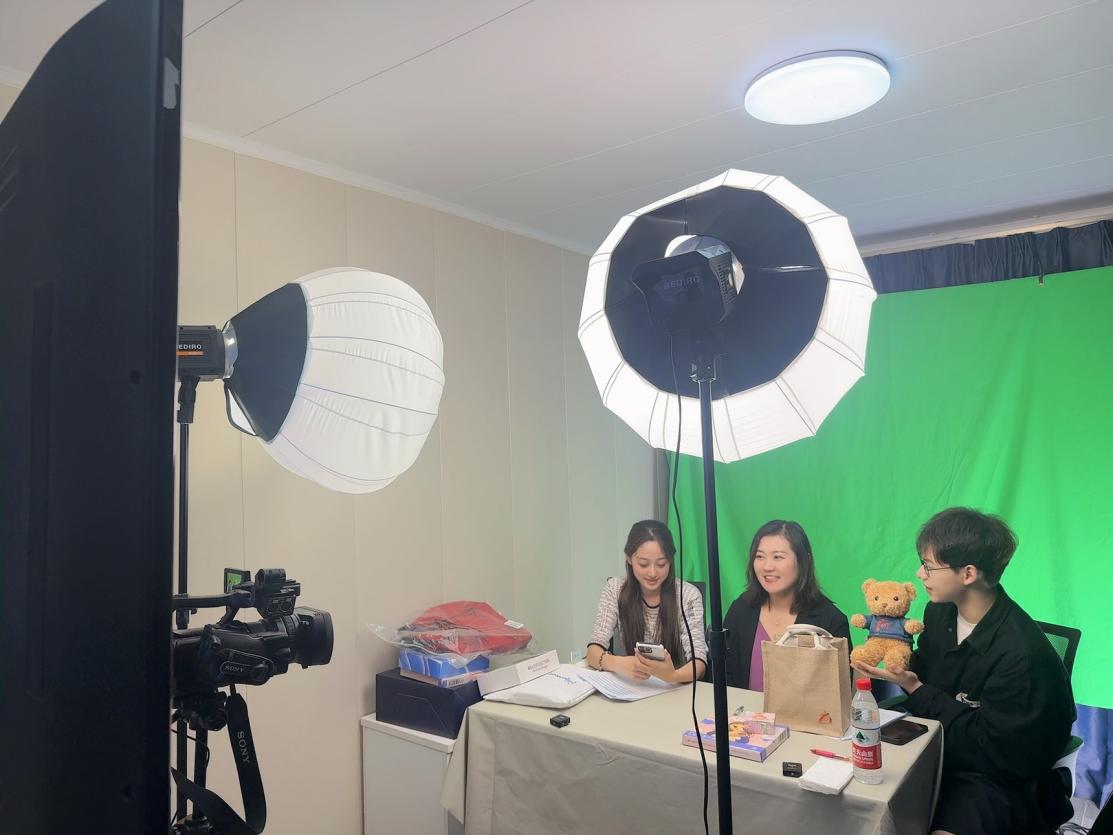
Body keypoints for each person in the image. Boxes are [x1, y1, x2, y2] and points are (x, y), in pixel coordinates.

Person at [853, 507, 1075, 835]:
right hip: (937, 748)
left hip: (995, 780)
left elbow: (995, 752)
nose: (919, 573)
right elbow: (926, 675)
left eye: (928, 565)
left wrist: (916, 689)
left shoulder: (1023, 656)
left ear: (968, 573)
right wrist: (897, 661)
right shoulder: (939, 612)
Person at [723, 519, 851, 690]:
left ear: (803, 561)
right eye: (760, 556)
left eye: (778, 557)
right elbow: (723, 672)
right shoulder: (741, 609)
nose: (767, 566)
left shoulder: (830, 620)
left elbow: (838, 688)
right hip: (742, 707)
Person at [586, 520, 707, 683]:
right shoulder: (614, 589)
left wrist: (673, 676)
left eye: (661, 564)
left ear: (670, 561)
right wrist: (619, 663)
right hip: (631, 686)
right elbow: (593, 651)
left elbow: (699, 662)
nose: (652, 573)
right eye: (643, 564)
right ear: (629, 558)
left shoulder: (688, 595)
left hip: (675, 688)